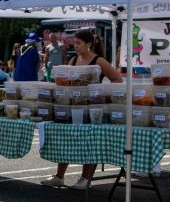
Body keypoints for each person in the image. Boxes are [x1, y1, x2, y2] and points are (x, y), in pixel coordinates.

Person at [41, 29, 122, 190]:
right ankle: (59, 176)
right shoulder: (73, 60)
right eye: (74, 43)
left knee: (89, 141)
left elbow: (117, 79)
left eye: (78, 43)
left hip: (93, 109)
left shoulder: (99, 61)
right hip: (73, 107)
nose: (75, 46)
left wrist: (101, 92)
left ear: (89, 44)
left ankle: (85, 179)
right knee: (67, 139)